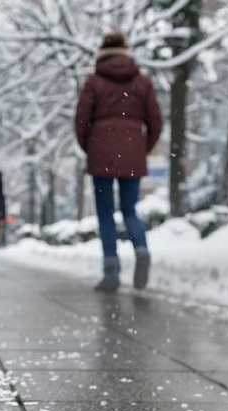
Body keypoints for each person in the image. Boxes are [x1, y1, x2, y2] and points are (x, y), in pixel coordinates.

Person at [74, 31, 163, 291]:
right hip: (133, 151)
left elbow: (81, 121)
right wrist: (142, 148)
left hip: (101, 152)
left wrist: (89, 147)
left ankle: (111, 271)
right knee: (130, 210)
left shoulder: (93, 81)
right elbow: (156, 121)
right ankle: (142, 249)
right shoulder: (142, 81)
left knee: (105, 213)